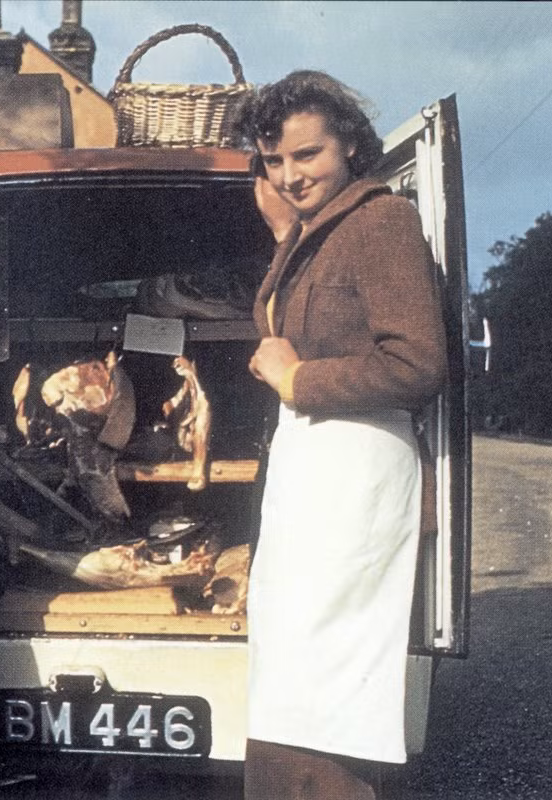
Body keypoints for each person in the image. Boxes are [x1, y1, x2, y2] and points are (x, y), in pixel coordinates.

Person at [236, 71, 447, 799]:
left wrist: (299, 380)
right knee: (292, 679)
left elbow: (418, 363)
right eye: (274, 161)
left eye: (308, 155)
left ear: (351, 146)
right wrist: (284, 236)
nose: (290, 176)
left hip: (357, 470)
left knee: (330, 697)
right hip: (315, 467)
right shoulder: (313, 230)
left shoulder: (381, 221)